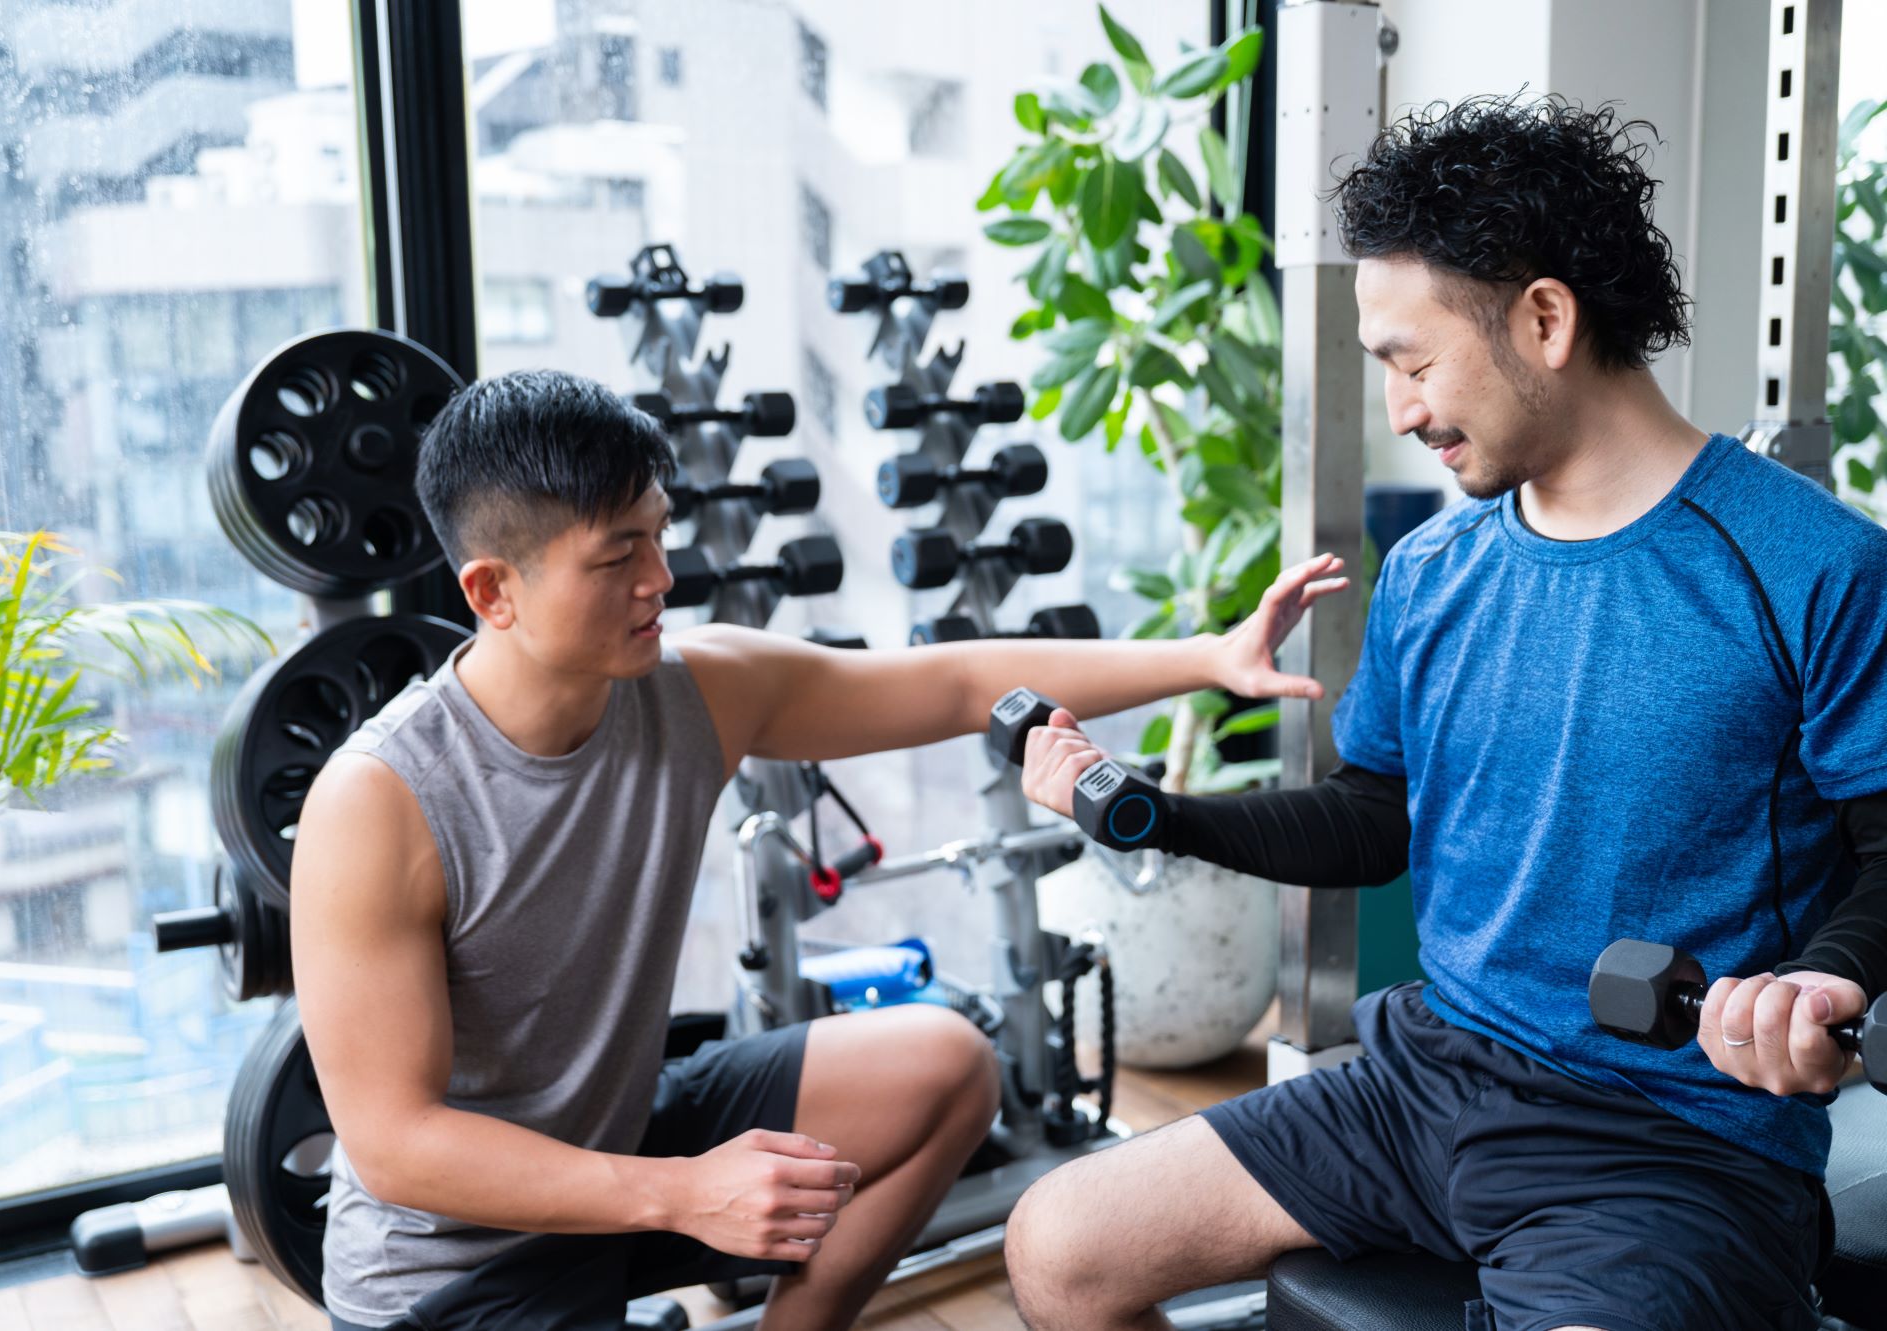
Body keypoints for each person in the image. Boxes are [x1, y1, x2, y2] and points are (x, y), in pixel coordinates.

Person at [1003, 95, 1887, 1331]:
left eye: (1411, 363)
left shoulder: (1808, 565)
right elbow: (1377, 816)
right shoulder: (1432, 568)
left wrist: (1823, 984)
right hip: (1424, 1081)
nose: (1404, 410)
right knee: (1058, 1243)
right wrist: (1157, 816)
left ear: (1542, 317)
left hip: (1670, 1142)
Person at [286, 366, 1350, 1331]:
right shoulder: (380, 801)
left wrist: (1207, 657)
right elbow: (395, 1143)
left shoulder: (692, 692)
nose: (660, 578)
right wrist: (683, 1189)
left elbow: (953, 681)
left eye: (657, 535)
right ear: (492, 591)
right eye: (616, 556)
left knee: (941, 1065)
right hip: (448, 1271)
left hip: (618, 1143)